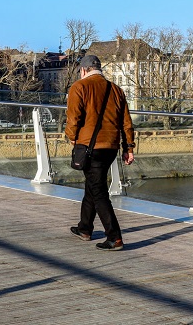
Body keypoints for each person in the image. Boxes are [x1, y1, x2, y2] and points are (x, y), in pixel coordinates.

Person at [65, 54, 135, 251]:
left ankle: (115, 237)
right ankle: (84, 228)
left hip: (89, 147)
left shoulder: (80, 87)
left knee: (98, 191)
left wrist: (71, 136)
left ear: (84, 70)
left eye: (80, 71)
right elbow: (126, 122)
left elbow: (73, 118)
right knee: (93, 184)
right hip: (111, 147)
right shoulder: (116, 90)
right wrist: (128, 147)